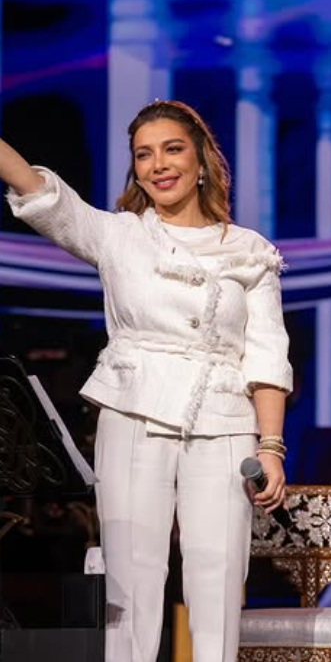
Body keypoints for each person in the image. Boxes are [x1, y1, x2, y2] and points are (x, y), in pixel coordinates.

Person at [1, 100, 293, 662]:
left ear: (201, 161)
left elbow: (266, 355)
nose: (158, 164)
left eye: (172, 149)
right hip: (133, 410)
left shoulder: (249, 250)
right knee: (131, 582)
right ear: (134, 169)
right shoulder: (118, 235)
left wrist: (271, 446)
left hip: (224, 421)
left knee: (218, 576)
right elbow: (38, 190)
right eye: (143, 154)